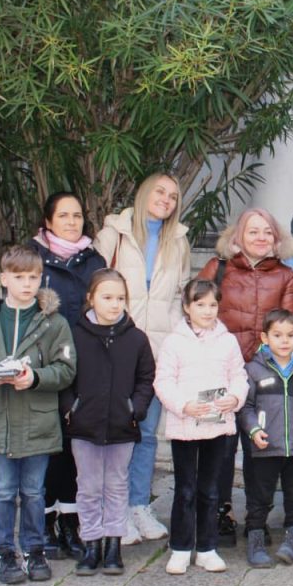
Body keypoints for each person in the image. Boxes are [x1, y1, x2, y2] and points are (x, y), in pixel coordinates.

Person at [0, 245, 76, 585]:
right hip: (1, 419)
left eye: (33, 277)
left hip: (38, 420)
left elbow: (66, 369)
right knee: (3, 491)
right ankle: (3, 552)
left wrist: (36, 378)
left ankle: (34, 549)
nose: (27, 284)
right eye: (19, 277)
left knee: (34, 492)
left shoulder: (54, 323)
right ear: (4, 278)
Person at [95, 172, 191, 545]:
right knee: (117, 433)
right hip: (117, 346)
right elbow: (98, 287)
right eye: (160, 191)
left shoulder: (178, 242)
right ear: (143, 193)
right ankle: (114, 509)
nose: (165, 199)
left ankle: (138, 505)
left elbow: (181, 295)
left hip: (159, 350)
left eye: (172, 195)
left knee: (147, 433)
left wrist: (177, 337)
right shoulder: (113, 235)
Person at [196, 208, 293, 548]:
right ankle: (218, 513)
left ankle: (257, 518)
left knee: (260, 449)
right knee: (219, 447)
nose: (260, 237)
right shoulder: (218, 268)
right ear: (238, 235)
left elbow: (290, 323)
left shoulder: (285, 275)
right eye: (252, 231)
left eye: (267, 232)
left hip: (263, 376)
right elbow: (198, 313)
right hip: (220, 373)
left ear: (276, 239)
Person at [61, 269, 155, 576]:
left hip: (121, 426)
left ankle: (114, 544)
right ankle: (91, 544)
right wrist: (70, 408)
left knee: (116, 485)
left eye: (120, 298)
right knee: (88, 487)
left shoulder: (136, 339)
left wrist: (135, 409)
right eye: (107, 297)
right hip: (84, 426)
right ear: (90, 299)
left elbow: (146, 378)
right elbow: (64, 377)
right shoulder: (74, 336)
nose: (115, 305)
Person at [154, 279, 249, 575]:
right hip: (185, 426)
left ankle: (207, 547)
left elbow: (239, 375)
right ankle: (181, 547)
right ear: (186, 307)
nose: (208, 311)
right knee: (185, 488)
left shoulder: (227, 340)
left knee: (210, 489)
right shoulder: (174, 342)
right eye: (200, 305)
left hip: (217, 427)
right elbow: (164, 381)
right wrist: (183, 405)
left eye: (212, 305)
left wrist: (234, 397)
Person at [31, 191, 106, 562]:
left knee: (76, 445)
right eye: (64, 216)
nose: (72, 222)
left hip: (84, 364)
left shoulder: (94, 261)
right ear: (48, 221)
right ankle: (45, 522)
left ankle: (72, 523)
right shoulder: (34, 260)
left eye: (77, 215)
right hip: (46, 365)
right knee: (50, 446)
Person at [239, 309, 293, 568]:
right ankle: (255, 543)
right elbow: (246, 406)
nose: (284, 340)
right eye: (277, 335)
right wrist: (254, 430)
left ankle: (292, 541)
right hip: (265, 447)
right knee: (260, 496)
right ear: (265, 338)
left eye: (290, 335)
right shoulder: (254, 370)